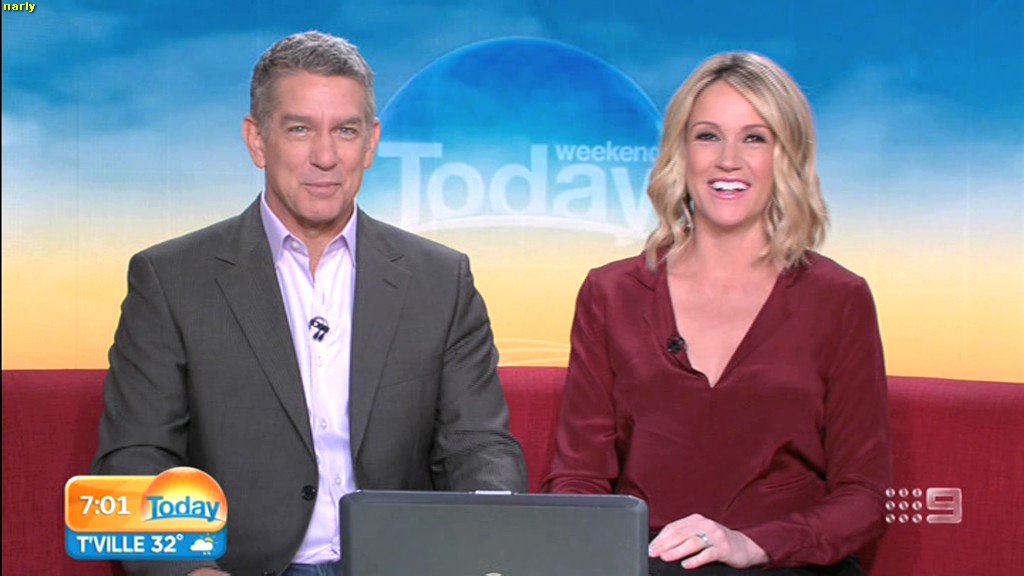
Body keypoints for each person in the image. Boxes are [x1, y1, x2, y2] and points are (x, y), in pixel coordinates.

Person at [93, 30, 527, 576]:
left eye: (345, 131)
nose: (325, 157)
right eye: (299, 129)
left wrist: (491, 543)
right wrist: (193, 572)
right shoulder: (171, 279)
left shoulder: (440, 279)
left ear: (371, 143)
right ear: (257, 140)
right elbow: (135, 459)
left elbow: (477, 444)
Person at [542, 52, 891, 575]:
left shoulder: (839, 298)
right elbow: (578, 477)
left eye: (755, 138)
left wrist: (753, 544)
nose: (729, 159)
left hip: (785, 563)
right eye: (707, 136)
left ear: (787, 156)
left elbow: (863, 495)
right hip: (651, 561)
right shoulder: (611, 293)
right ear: (680, 153)